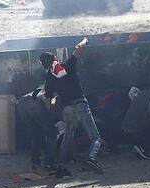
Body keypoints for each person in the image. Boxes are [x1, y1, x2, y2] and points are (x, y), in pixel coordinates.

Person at [40, 37, 103, 177]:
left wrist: (55, 100)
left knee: (67, 138)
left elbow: (48, 103)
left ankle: (61, 166)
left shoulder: (49, 79)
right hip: (81, 104)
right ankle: (91, 159)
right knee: (96, 138)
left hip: (67, 110)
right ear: (55, 59)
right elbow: (77, 49)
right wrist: (84, 41)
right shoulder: (67, 66)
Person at [17, 88, 60, 176]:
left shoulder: (43, 87)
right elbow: (49, 107)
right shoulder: (55, 92)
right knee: (51, 135)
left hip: (21, 103)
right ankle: (49, 164)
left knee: (36, 134)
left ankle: (35, 164)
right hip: (34, 103)